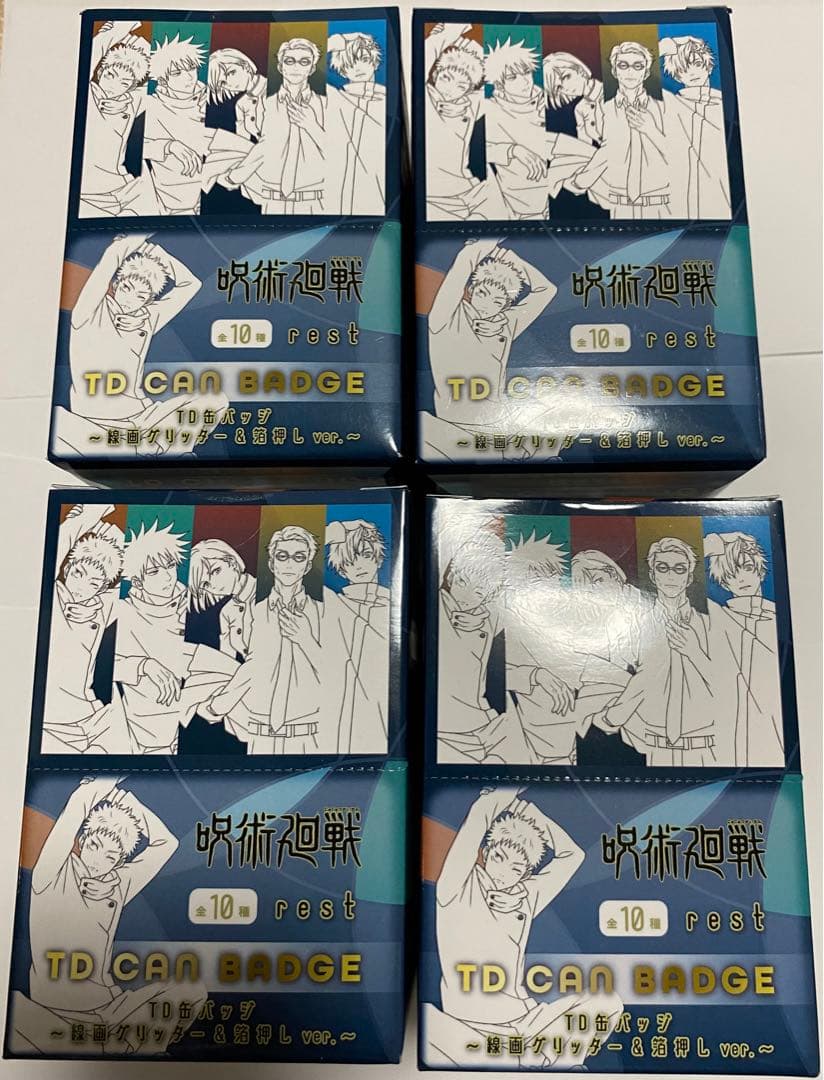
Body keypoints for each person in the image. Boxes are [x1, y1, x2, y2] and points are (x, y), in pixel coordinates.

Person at [424, 787, 621, 1068]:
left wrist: (528, 812)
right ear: (485, 852)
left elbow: (572, 855)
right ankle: (546, 1061)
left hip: (527, 1024)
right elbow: (482, 812)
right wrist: (506, 799)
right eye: (499, 858)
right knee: (427, 1022)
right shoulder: (456, 886)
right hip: (471, 1028)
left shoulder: (525, 897)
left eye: (516, 869)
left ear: (525, 874)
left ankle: (541, 1060)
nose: (503, 873)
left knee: (608, 1003)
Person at [9, 777, 205, 1055]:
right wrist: (108, 790)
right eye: (94, 846)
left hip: (110, 1011)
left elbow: (166, 842)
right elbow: (80, 802)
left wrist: (128, 802)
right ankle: (122, 1046)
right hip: (53, 1012)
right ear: (82, 841)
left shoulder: (118, 885)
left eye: (110, 857)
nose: (97, 860)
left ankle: (115, 1043)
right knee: (15, 1012)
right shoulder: (51, 873)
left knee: (191, 990)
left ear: (119, 862)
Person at [54, 234, 227, 459]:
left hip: (143, 420)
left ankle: (157, 451)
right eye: (126, 288)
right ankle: (159, 451)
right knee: (58, 424)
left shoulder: (147, 318)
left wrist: (153, 251)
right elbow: (114, 256)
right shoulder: (89, 312)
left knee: (216, 400)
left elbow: (190, 284)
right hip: (95, 424)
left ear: (148, 301)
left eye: (140, 296)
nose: (129, 299)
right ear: (115, 284)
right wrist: (135, 240)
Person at [422, 240, 556, 460]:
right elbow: (465, 261)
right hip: (453, 427)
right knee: (421, 427)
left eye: (496, 301)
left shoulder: (506, 324)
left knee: (556, 430)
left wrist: (508, 257)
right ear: (471, 290)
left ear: (505, 306)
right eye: (483, 293)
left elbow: (546, 289)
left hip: (496, 428)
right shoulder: (445, 317)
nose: (486, 304)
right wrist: (485, 247)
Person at [588, 537, 716, 765]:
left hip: (706, 747)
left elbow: (728, 687)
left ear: (689, 577)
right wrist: (611, 718)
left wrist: (694, 652)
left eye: (679, 569)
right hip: (654, 747)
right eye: (663, 568)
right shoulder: (635, 627)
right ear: (653, 575)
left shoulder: (710, 625)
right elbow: (615, 676)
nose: (670, 576)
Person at [113, 521, 238, 753]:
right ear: (137, 580)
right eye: (154, 571)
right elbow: (100, 667)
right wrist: (145, 666)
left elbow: (227, 663)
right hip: (147, 736)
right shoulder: (124, 612)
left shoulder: (195, 602)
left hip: (198, 732)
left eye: (170, 566)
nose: (167, 577)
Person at [202, 525, 324, 754]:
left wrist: (305, 639)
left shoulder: (322, 610)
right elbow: (243, 664)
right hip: (260, 730)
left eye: (298, 557)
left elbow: (337, 673)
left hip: (306, 731)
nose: (289, 564)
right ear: (272, 563)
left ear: (308, 566)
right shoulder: (254, 611)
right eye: (282, 556)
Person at [42, 503, 130, 754]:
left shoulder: (103, 607)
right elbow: (61, 542)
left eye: (93, 583)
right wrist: (92, 514)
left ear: (102, 588)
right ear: (67, 569)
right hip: (53, 717)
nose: (81, 586)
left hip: (88, 713)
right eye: (78, 574)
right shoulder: (52, 595)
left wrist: (110, 531)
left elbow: (135, 576)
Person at [568, 41, 684, 219]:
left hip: (659, 202)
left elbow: (680, 155)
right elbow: (607, 151)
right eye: (623, 65)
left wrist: (650, 129)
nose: (630, 72)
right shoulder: (604, 107)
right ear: (615, 71)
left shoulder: (665, 103)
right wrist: (580, 181)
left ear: (646, 72)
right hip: (620, 203)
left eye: (638, 66)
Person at [482, 39, 596, 220]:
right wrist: (512, 150)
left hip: (562, 204)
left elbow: (556, 142)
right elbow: (473, 151)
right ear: (499, 84)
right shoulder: (490, 109)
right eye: (512, 77)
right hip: (520, 208)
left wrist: (595, 158)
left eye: (526, 72)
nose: (524, 81)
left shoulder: (549, 100)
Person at [499, 531, 582, 765]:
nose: (541, 584)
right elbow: (490, 676)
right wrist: (536, 675)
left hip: (579, 737)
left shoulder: (574, 620)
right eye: (530, 577)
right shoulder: (504, 625)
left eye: (549, 575)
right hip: (534, 742)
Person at [143, 34, 250, 215]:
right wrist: (170, 146)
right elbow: (132, 148)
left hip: (216, 201)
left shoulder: (213, 98)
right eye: (177, 73)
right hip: (172, 203)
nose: (188, 77)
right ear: (162, 80)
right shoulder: (152, 106)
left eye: (191, 69)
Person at [705, 531, 783, 765]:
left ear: (759, 569)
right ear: (723, 581)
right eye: (731, 573)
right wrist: (719, 541)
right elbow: (681, 563)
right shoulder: (718, 617)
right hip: (737, 728)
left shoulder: (781, 617)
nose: (741, 578)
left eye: (747, 567)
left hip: (781, 726)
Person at [225, 38, 326, 214]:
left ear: (312, 68)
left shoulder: (325, 104)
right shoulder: (267, 104)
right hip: (273, 200)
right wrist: (236, 176)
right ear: (280, 67)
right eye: (289, 61)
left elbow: (338, 154)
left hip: (314, 200)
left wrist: (311, 125)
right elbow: (264, 146)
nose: (296, 67)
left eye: (304, 62)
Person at [424, 23, 509, 220]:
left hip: (467, 189)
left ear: (469, 90)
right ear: (435, 75)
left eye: (460, 85)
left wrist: (469, 46)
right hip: (433, 193)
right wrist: (451, 33)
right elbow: (429, 51)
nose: (450, 89)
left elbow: (495, 81)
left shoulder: (470, 105)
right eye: (446, 78)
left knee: (499, 212)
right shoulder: (425, 98)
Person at [323, 520, 391, 753]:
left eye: (365, 554)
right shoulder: (333, 604)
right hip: (348, 709)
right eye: (349, 560)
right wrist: (339, 529)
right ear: (341, 569)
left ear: (377, 557)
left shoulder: (396, 604)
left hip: (389, 707)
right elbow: (295, 550)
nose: (359, 565)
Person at [79, 20, 158, 217]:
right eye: (110, 75)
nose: (113, 85)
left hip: (120, 186)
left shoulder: (132, 102)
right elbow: (94, 51)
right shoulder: (86, 94)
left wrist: (137, 41)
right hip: (86, 189)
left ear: (131, 87)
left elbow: (158, 79)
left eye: (123, 83)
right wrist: (120, 28)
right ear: (100, 72)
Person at [659, 35, 731, 218]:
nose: (692, 72)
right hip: (687, 192)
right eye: (683, 69)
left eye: (697, 63)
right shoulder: (672, 104)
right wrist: (670, 44)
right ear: (676, 75)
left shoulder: (725, 104)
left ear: (708, 65)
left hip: (725, 190)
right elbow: (635, 66)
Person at [326, 32, 386, 214]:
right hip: (342, 190)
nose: (358, 68)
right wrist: (338, 41)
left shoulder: (388, 101)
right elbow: (304, 62)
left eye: (364, 59)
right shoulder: (335, 98)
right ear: (342, 70)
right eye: (350, 63)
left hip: (382, 192)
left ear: (374, 61)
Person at [187, 538, 257, 660]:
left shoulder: (263, 593)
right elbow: (226, 659)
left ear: (232, 562)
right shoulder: (226, 612)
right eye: (205, 584)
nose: (214, 584)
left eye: (215, 571)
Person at [543, 51, 604, 146]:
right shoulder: (580, 109)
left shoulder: (608, 93)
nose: (566, 87)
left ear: (579, 70)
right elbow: (584, 145)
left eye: (565, 77)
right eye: (559, 87)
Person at [206, 47, 266, 141]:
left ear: (245, 66)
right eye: (223, 83)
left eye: (231, 73)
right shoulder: (241, 104)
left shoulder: (272, 90)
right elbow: (242, 140)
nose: (230, 82)